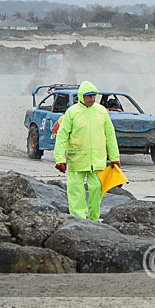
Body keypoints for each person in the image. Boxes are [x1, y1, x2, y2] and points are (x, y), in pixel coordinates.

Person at [53, 81, 120, 221]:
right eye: (89, 96)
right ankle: (78, 220)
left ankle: (94, 219)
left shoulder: (102, 111)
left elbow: (110, 135)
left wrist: (115, 157)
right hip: (76, 160)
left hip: (97, 160)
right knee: (76, 192)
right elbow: (62, 136)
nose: (92, 99)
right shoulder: (71, 112)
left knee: (96, 190)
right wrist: (59, 159)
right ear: (81, 96)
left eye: (94, 96)